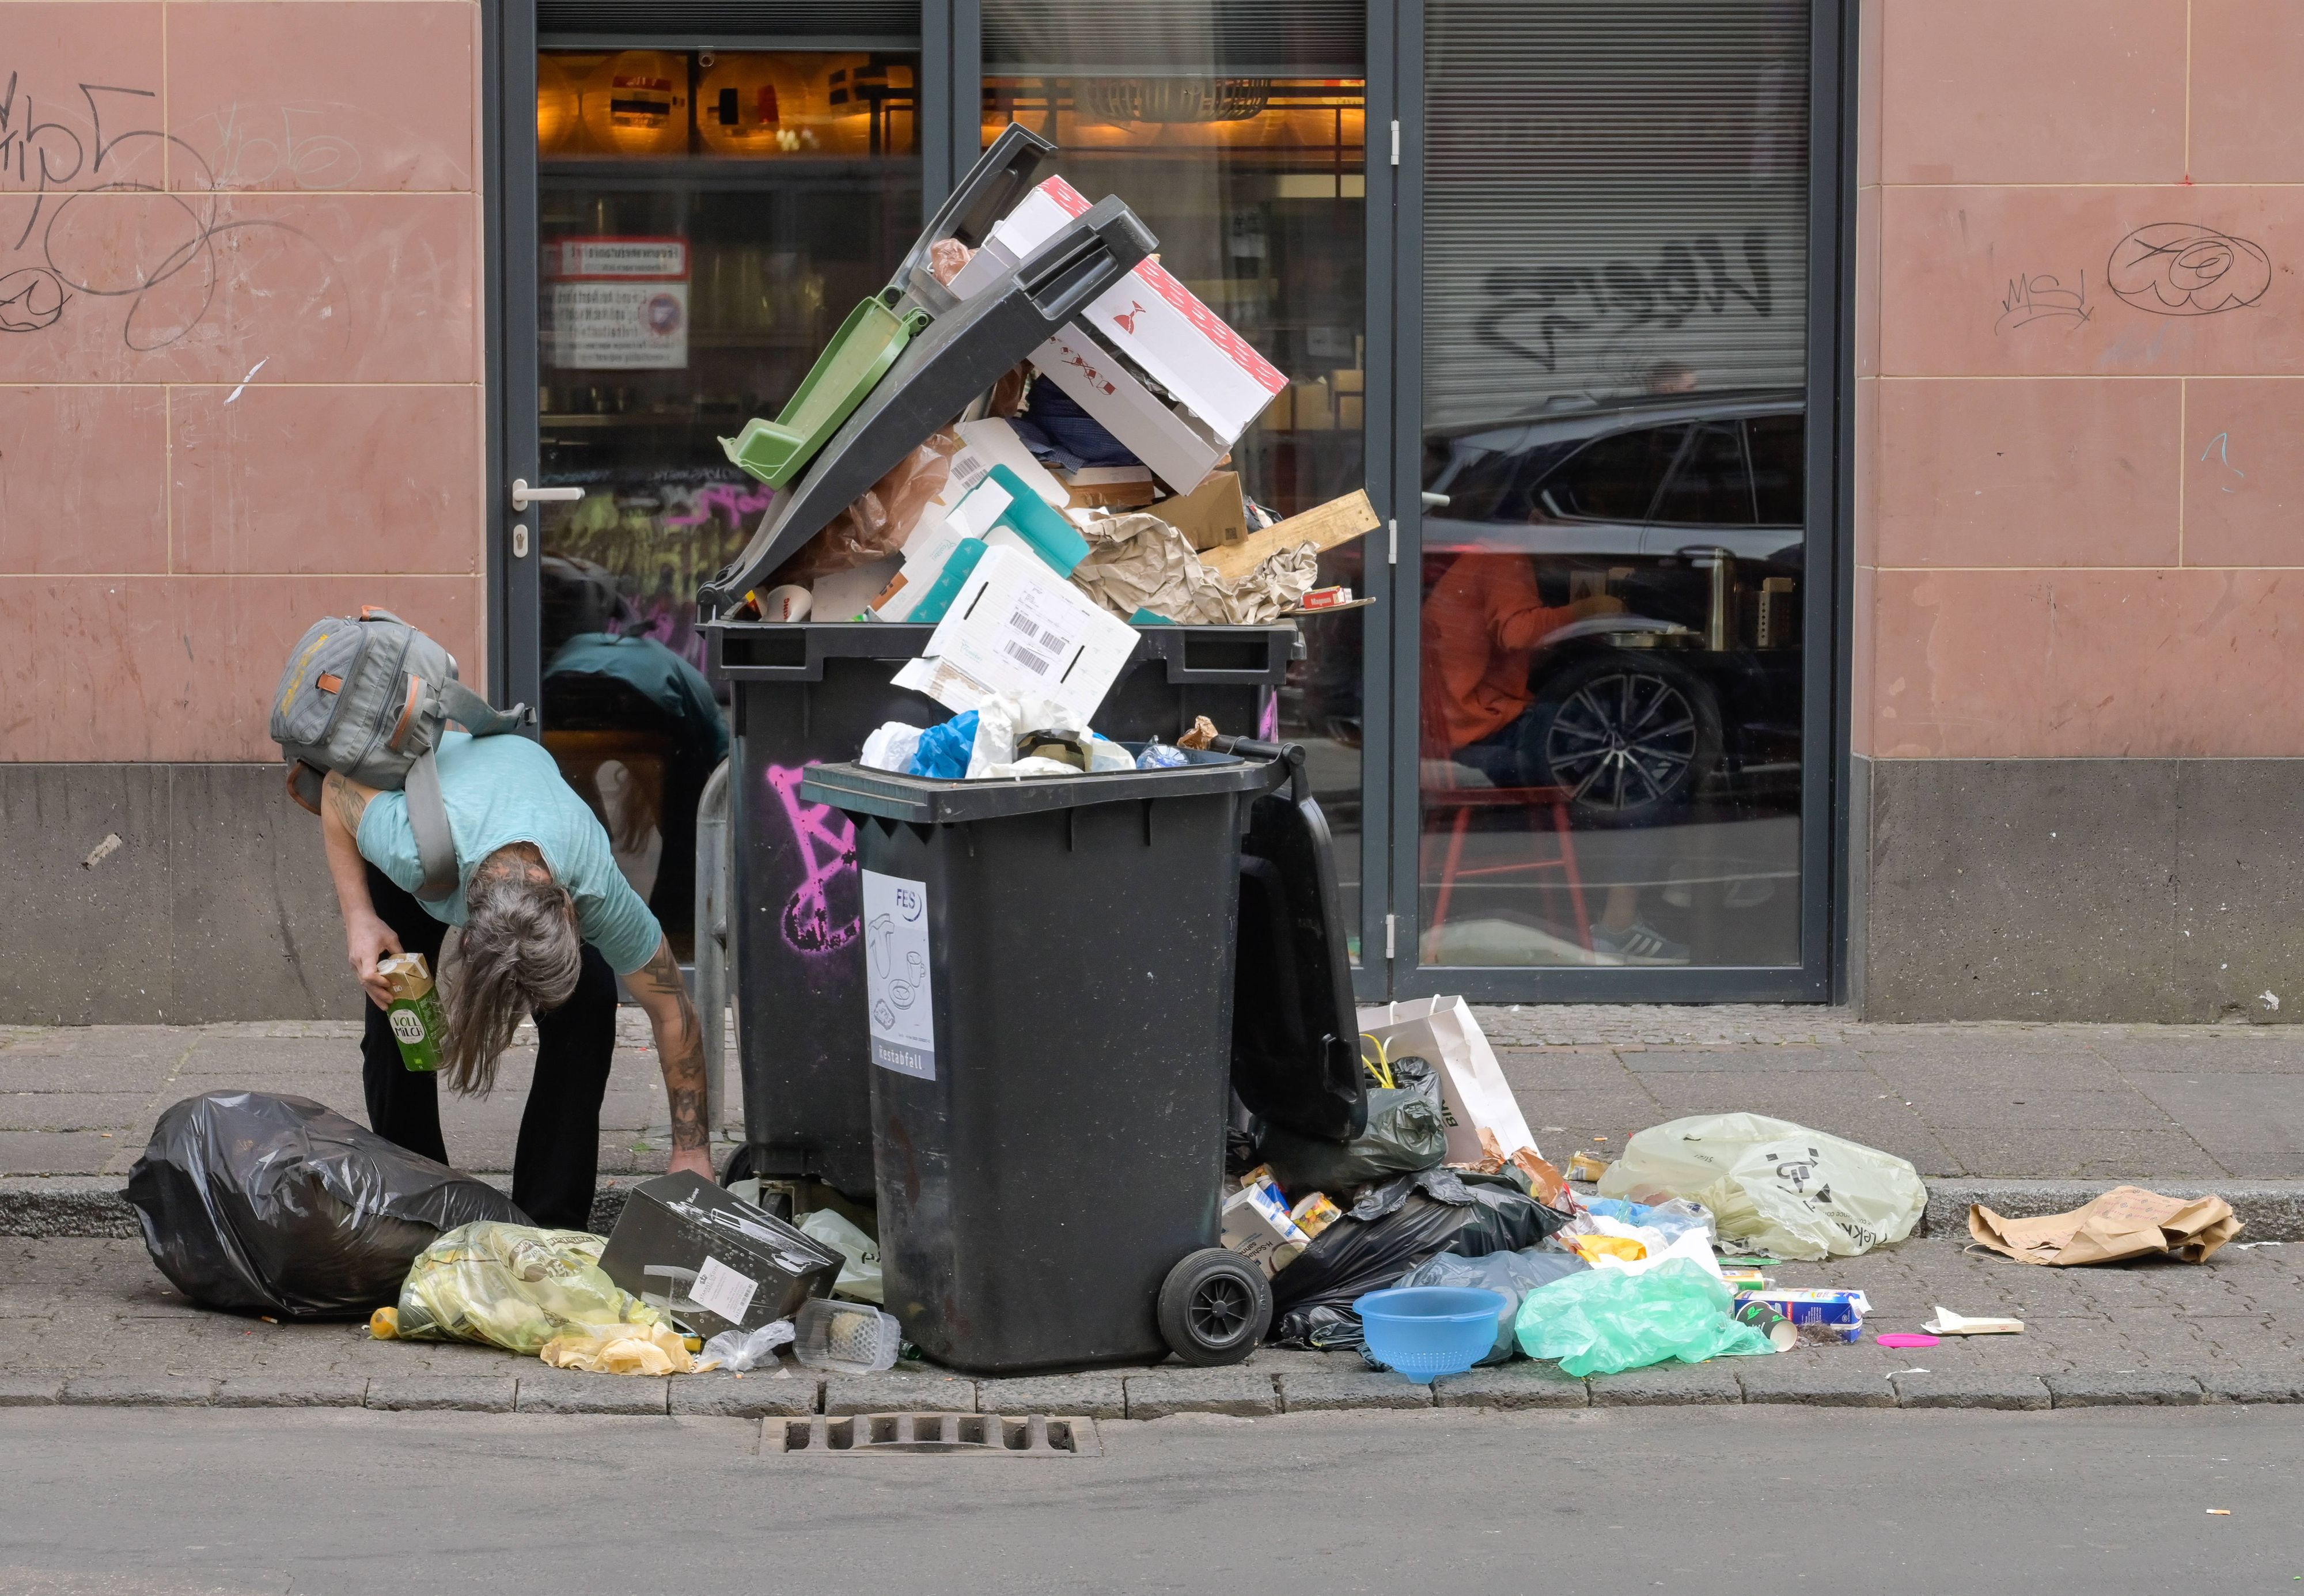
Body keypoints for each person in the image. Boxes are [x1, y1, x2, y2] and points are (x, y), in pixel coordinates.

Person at [317, 730, 714, 1230]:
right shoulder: (412, 852)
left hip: (524, 785)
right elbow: (336, 787)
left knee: (587, 1008)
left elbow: (673, 1007)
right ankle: (418, 1205)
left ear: (572, 916)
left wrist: (692, 1149)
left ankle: (548, 1223)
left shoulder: (598, 889)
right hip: (431, 808)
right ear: (467, 941)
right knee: (395, 1001)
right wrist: (360, 918)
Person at [1422, 552, 1687, 965]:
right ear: (1534, 518)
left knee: (1620, 760)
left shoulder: (1474, 560)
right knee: (1648, 770)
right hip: (1491, 732)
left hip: (1469, 729)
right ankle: (1620, 923)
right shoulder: (1503, 555)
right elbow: (1517, 632)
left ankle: (1640, 900)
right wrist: (1587, 610)